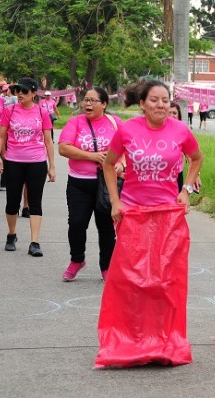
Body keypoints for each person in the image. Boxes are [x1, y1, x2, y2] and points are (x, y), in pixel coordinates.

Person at [95, 80, 203, 367]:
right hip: (133, 214)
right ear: (142, 104)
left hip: (168, 216)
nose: (160, 105)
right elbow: (109, 163)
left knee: (165, 280)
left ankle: (163, 337)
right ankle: (132, 337)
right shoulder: (128, 130)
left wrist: (186, 190)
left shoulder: (181, 130)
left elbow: (196, 158)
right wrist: (116, 202)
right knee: (133, 279)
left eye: (165, 100)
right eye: (154, 100)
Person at [58, 87, 124, 282]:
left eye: (93, 100)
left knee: (105, 227)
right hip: (79, 183)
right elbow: (63, 148)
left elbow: (128, 148)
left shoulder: (115, 123)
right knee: (76, 223)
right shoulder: (75, 122)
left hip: (107, 184)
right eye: (85, 100)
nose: (87, 104)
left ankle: (106, 266)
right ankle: (77, 260)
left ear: (104, 104)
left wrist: (121, 164)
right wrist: (92, 156)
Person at [0, 77, 56, 257]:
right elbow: (1, 136)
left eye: (24, 91)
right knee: (12, 202)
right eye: (17, 90)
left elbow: (48, 141)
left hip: (36, 162)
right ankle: (11, 234)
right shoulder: (10, 110)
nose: (19, 93)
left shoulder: (42, 112)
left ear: (34, 93)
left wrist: (52, 166)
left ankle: (34, 242)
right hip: (13, 162)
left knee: (35, 202)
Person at [169, 102, 201, 193]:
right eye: (169, 113)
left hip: (176, 175)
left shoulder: (182, 132)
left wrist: (196, 175)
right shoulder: (156, 131)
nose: (171, 116)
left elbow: (191, 157)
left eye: (174, 113)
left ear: (179, 116)